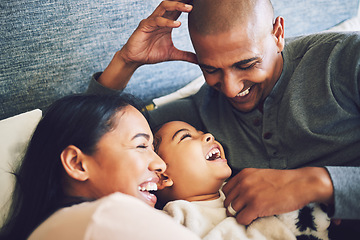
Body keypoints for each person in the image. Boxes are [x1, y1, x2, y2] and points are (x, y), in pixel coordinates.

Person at [86, 0, 360, 234]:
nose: (230, 89)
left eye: (246, 64)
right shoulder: (196, 115)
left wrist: (318, 183)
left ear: (278, 33)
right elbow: (86, 138)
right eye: (210, 70)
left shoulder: (345, 60)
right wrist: (126, 62)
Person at [0, 94, 200, 240]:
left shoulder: (53, 229)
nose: (160, 163)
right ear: (77, 164)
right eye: (141, 145)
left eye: (153, 149)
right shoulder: (107, 216)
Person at [153, 120, 331, 240]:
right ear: (163, 176)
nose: (208, 135)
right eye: (185, 136)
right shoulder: (174, 216)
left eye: (200, 132)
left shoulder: (246, 187)